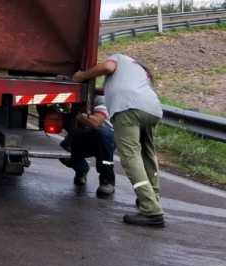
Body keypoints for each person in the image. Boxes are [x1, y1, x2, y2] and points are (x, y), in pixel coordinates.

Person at [74, 54, 164, 227]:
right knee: (147, 155)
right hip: (152, 110)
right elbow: (107, 89)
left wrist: (82, 76)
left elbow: (107, 67)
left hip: (127, 108)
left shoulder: (120, 58)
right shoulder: (139, 71)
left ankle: (151, 210)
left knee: (131, 158)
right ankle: (153, 198)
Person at [59, 95, 116, 197]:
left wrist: (75, 113)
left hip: (104, 140)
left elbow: (96, 122)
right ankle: (82, 170)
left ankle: (107, 180)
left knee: (103, 134)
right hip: (82, 136)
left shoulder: (99, 99)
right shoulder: (67, 98)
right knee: (63, 151)